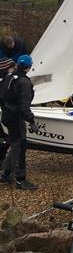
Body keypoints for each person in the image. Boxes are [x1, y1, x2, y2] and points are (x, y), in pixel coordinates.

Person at [0, 54, 37, 190]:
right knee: (20, 147)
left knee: (15, 145)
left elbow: (2, 98)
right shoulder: (24, 82)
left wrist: (6, 110)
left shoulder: (7, 77)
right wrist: (32, 121)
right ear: (29, 67)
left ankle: (6, 174)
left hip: (7, 116)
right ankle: (21, 180)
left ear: (17, 65)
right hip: (16, 118)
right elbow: (24, 106)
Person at [0, 58, 16, 164]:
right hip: (4, 114)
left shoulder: (6, 79)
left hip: (4, 114)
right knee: (3, 138)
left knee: (4, 138)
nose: (14, 69)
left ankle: (2, 159)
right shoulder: (4, 81)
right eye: (12, 67)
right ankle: (1, 160)